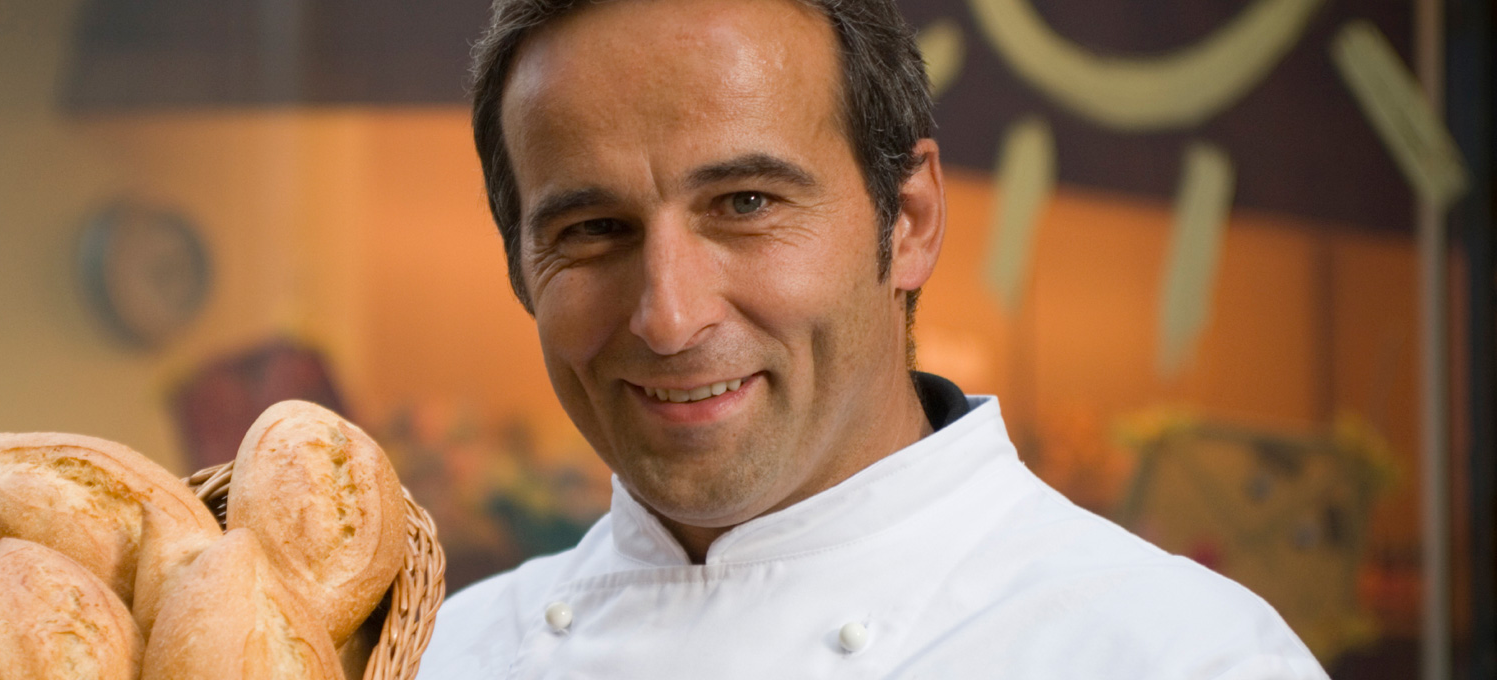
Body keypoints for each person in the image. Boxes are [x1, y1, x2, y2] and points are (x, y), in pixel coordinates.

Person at [417, 0, 1327, 677]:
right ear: (520, 267)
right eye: (591, 229)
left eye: (746, 204)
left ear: (910, 220)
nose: (668, 316)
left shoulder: (1180, 656)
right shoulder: (439, 656)